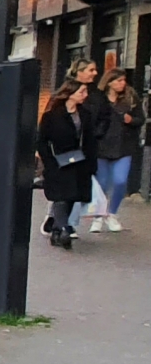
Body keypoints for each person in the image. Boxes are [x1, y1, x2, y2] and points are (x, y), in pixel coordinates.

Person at [37, 78, 94, 249]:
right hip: (59, 162)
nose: (85, 95)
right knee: (61, 196)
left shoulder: (85, 115)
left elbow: (91, 140)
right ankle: (63, 229)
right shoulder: (52, 116)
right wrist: (49, 161)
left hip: (79, 162)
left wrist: (91, 162)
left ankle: (56, 228)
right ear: (70, 94)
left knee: (72, 197)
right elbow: (41, 141)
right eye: (81, 92)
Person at [86, 70, 140, 233]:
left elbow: (141, 118)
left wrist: (132, 120)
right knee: (101, 183)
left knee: (120, 181)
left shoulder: (130, 98)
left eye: (123, 80)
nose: (122, 83)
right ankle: (98, 217)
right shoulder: (98, 99)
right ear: (109, 82)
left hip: (123, 147)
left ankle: (112, 213)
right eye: (118, 81)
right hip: (101, 147)